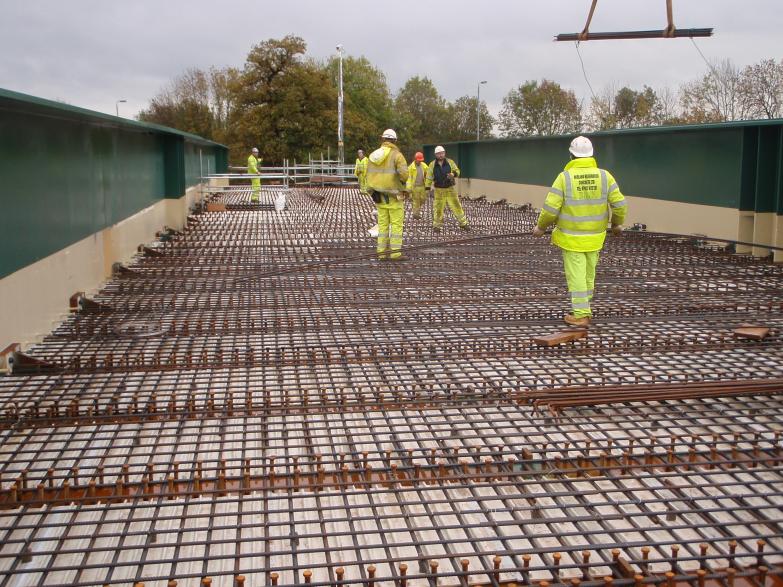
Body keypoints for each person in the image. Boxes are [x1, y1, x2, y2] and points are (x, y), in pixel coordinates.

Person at [532, 136, 627, 327]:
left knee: (576, 276)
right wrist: (616, 225)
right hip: (595, 237)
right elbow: (620, 205)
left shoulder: (564, 177)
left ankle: (581, 314)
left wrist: (541, 227)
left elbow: (550, 208)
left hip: (571, 238)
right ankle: (585, 308)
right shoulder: (604, 176)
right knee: (588, 275)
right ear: (592, 155)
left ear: (571, 155)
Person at [365, 129, 409, 261]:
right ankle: (395, 254)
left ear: (382, 139)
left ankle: (381, 253)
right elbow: (404, 175)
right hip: (394, 196)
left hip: (379, 196)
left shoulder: (373, 155)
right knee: (396, 225)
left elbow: (368, 176)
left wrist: (371, 192)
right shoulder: (397, 155)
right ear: (395, 140)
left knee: (383, 224)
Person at [425, 146, 469, 232]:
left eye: (442, 153)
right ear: (435, 155)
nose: (440, 155)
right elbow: (429, 177)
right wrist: (427, 188)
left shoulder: (450, 162)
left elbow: (458, 171)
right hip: (438, 190)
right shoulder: (432, 164)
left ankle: (463, 223)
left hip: (450, 189)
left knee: (456, 206)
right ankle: (437, 226)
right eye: (438, 154)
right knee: (438, 209)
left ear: (444, 153)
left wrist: (453, 174)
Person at [406, 152, 429, 219]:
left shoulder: (424, 165)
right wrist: (409, 188)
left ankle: (417, 209)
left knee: (423, 199)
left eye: (421, 160)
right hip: (415, 187)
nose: (420, 161)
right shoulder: (410, 167)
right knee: (416, 201)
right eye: (419, 160)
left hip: (422, 186)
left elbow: (429, 172)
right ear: (415, 159)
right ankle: (416, 214)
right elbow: (409, 178)